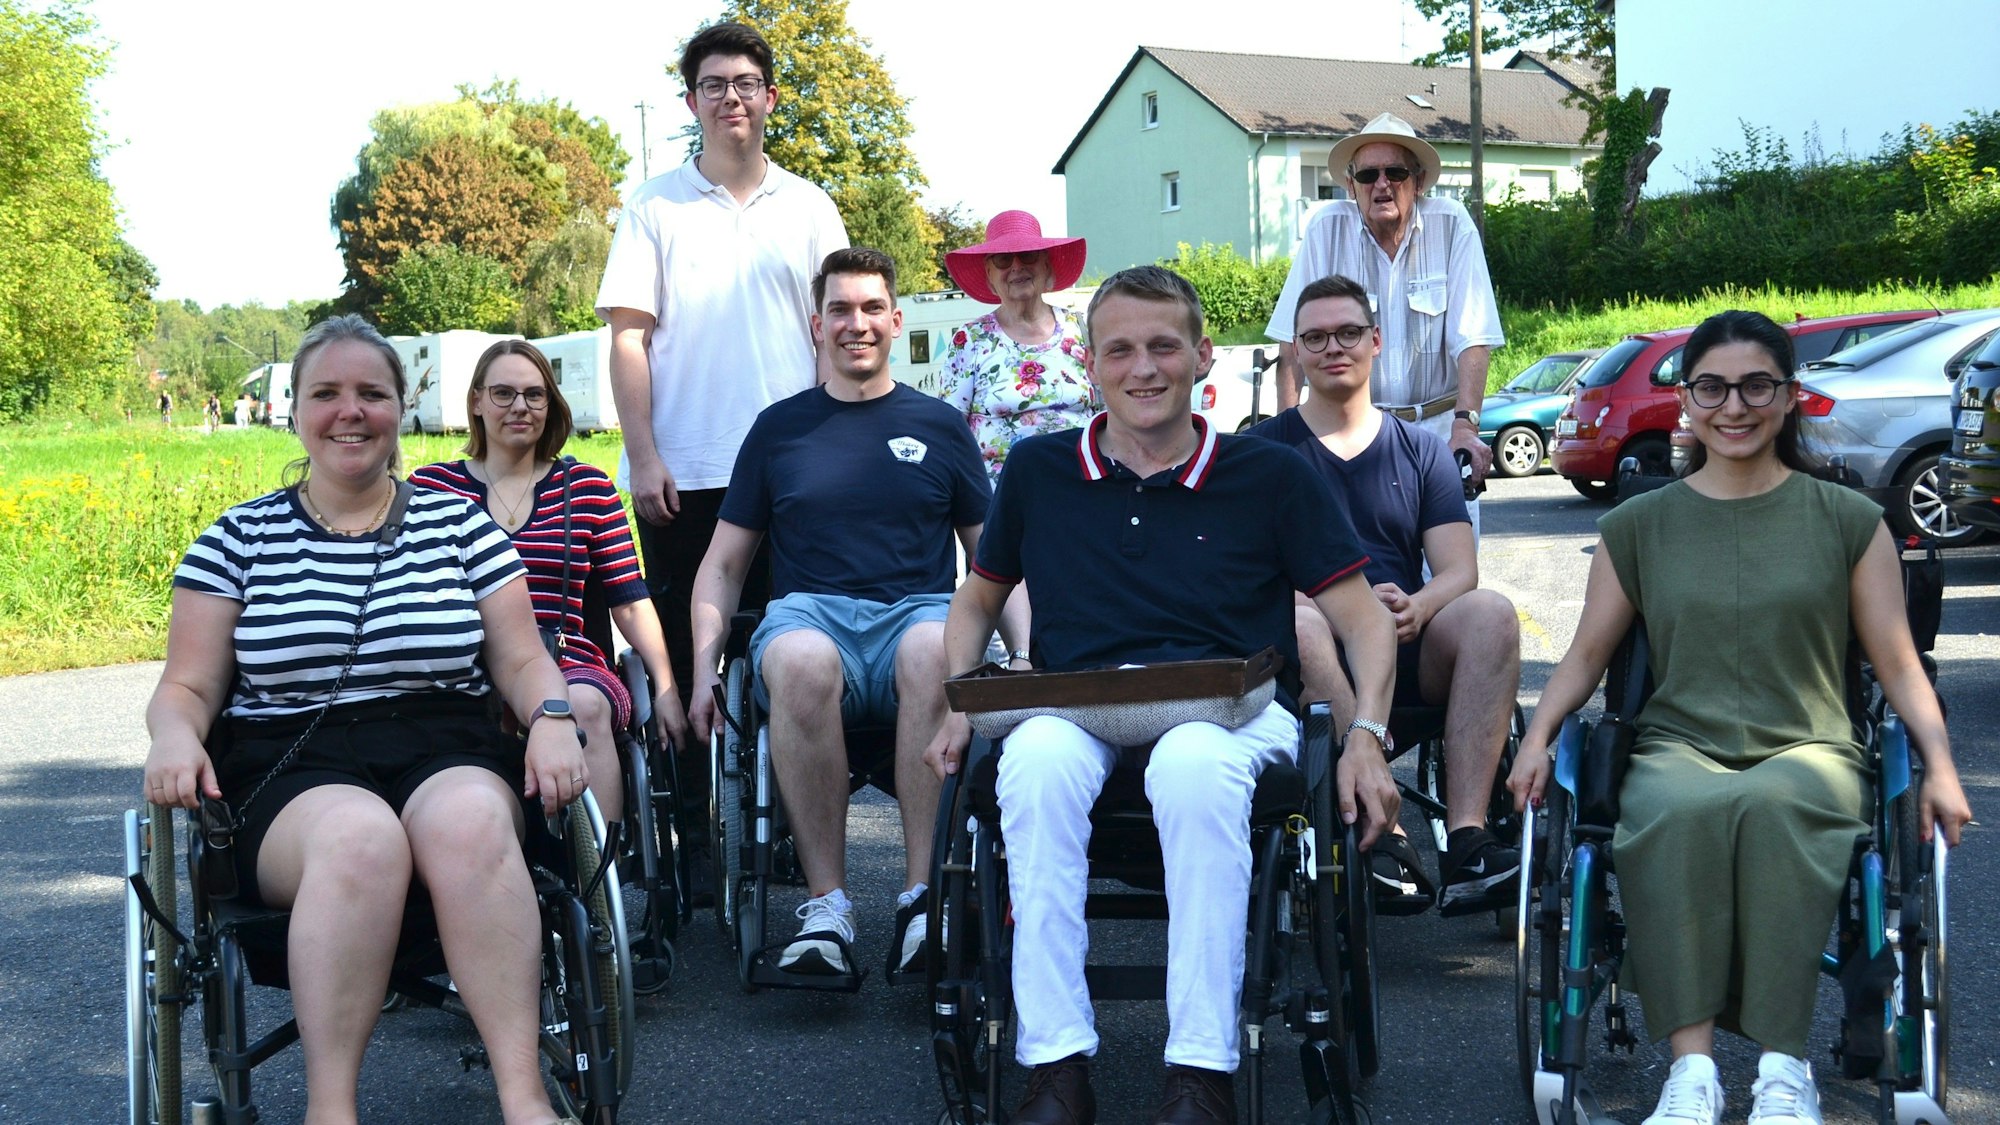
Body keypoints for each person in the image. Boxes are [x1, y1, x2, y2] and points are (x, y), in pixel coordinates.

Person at [926, 266, 1401, 1125]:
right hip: (1081, 706)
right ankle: (1055, 1064)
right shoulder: (1039, 471)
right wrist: (957, 705)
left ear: (1201, 357)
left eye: (1163, 346)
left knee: (1189, 762)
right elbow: (978, 599)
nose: (1143, 368)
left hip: (1232, 713)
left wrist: (1365, 731)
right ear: (1091, 363)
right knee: (1028, 759)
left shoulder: (1269, 475)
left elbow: (1363, 621)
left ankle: (1200, 1071)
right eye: (1120, 349)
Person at [1507, 311, 1973, 1125]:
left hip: (1811, 743)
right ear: (1685, 400)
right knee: (1677, 812)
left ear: (1791, 396)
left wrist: (1938, 764)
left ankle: (1783, 1072)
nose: (1734, 405)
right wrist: (1540, 736)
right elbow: (1583, 656)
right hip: (1680, 742)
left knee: (1775, 806)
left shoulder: (1848, 521)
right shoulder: (1638, 525)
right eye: (1711, 386)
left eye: (1757, 385)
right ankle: (1692, 1074)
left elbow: (1898, 662)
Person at [142, 315, 589, 1125]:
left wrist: (553, 713)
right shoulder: (236, 539)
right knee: (361, 837)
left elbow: (523, 659)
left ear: (401, 407)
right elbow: (187, 686)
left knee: (473, 822)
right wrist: (173, 734)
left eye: (371, 394)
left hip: (442, 742)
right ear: (297, 411)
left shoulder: (463, 528)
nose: (351, 412)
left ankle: (524, 1099)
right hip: (292, 762)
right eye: (327, 393)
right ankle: (331, 1111)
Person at [688, 248, 990, 979]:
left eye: (870, 309)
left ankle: (922, 901)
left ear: (896, 318)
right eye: (840, 310)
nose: (856, 324)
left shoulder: (942, 426)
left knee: (930, 648)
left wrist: (1031, 658)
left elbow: (991, 564)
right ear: (815, 323)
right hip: (810, 616)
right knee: (797, 659)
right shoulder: (779, 429)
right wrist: (701, 669)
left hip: (915, 611)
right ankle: (829, 908)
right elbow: (724, 565)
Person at [595, 20, 849, 717]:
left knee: (791, 649)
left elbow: (833, 334)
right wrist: (644, 458)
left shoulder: (811, 207)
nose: (729, 97)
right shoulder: (653, 206)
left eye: (743, 84)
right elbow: (627, 341)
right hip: (685, 473)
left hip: (792, 470)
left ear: (770, 97)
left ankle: (783, 821)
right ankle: (694, 824)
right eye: (713, 86)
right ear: (692, 102)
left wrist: (833, 449)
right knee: (684, 659)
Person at [1247, 274, 1521, 916]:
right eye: (1314, 337)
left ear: (1375, 342)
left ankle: (1468, 838)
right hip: (1304, 662)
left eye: (1347, 333)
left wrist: (1420, 606)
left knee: (1489, 613)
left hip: (1405, 645)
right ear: (1297, 351)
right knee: (1302, 618)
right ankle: (1385, 832)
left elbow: (1459, 569)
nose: (1332, 347)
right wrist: (1339, 608)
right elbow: (1246, 575)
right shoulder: (1258, 454)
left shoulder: (1420, 451)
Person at [411, 339, 691, 827]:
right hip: (464, 665)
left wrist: (665, 687)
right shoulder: (432, 489)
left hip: (568, 662)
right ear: (476, 401)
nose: (520, 406)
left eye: (534, 395)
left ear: (550, 404)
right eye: (503, 393)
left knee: (578, 705)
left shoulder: (586, 487)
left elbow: (629, 600)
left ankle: (596, 883)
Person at [1265, 113, 1504, 490]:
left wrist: (1465, 426)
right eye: (1367, 175)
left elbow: (1473, 337)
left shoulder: (1453, 223)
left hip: (1438, 431)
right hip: (1349, 431)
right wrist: (1288, 437)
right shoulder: (1325, 228)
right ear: (1350, 185)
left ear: (1419, 181)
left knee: (1449, 544)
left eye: (1395, 173)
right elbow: (1291, 342)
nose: (1382, 185)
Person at [938, 209, 1096, 667]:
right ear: (989, 274)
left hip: (1085, 493)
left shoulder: (1083, 330)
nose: (1015, 268)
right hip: (999, 502)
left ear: (1047, 265)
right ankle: (1023, 660)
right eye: (1002, 260)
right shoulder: (970, 340)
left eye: (1026, 256)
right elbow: (949, 428)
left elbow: (1113, 408)